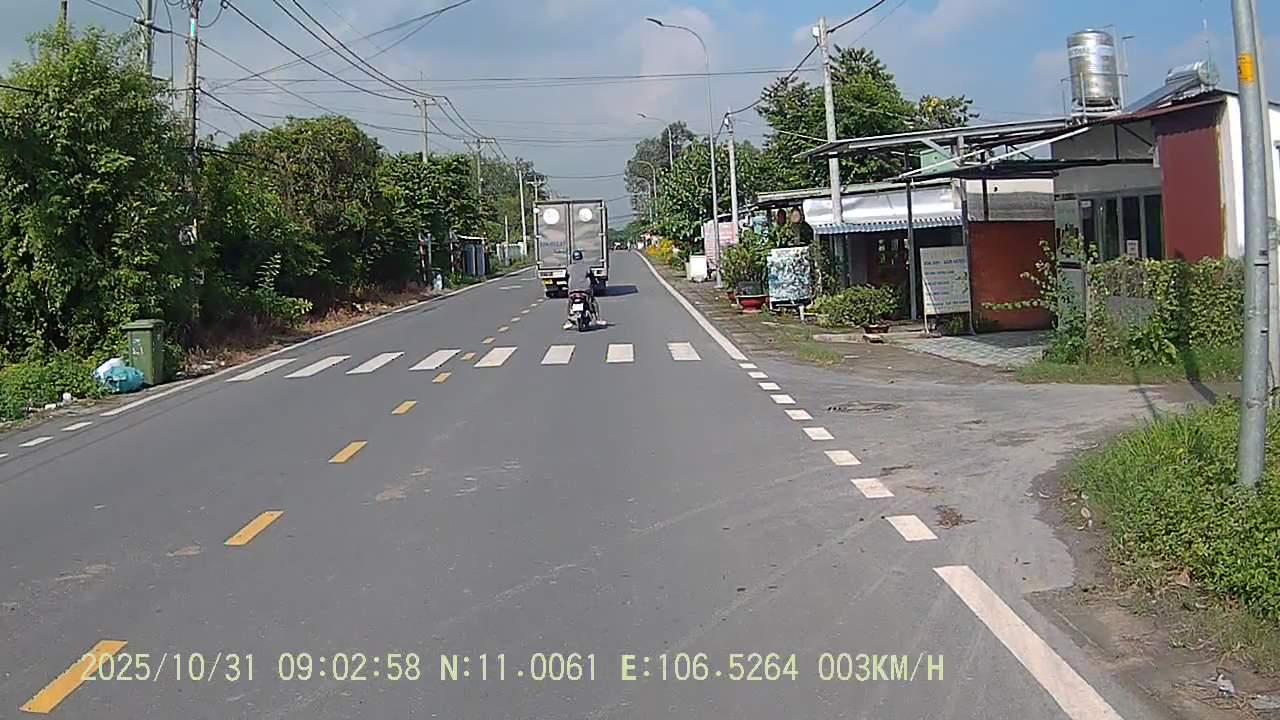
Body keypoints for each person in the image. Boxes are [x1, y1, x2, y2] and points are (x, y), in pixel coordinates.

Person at [564, 250, 600, 329]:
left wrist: (568, 285)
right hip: (585, 289)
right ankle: (597, 318)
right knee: (593, 301)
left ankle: (568, 319)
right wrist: (595, 283)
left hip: (572, 290)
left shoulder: (569, 268)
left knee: (570, 302)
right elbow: (592, 277)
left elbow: (566, 278)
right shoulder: (586, 267)